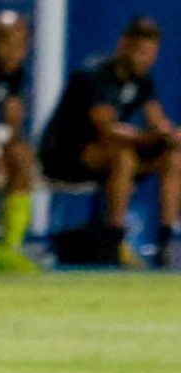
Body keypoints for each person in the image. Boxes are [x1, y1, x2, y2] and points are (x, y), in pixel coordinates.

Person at [38, 17, 181, 268]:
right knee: (122, 156)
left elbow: (157, 121)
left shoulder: (143, 83)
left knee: (174, 157)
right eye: (139, 52)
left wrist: (169, 136)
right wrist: (150, 138)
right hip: (64, 156)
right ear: (123, 45)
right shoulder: (92, 75)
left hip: (107, 156)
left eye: (150, 54)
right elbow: (106, 128)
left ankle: (166, 240)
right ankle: (114, 241)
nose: (144, 59)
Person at [0, 11, 37, 272]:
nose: (16, 51)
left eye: (22, 44)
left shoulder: (16, 76)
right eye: (8, 42)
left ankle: (10, 247)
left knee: (22, 156)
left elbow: (12, 124)